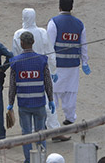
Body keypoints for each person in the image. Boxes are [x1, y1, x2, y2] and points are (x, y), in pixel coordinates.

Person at [13, 8, 70, 142]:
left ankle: (32, 133)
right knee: (48, 103)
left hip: (25, 74)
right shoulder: (42, 32)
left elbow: (15, 55)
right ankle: (54, 131)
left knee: (27, 102)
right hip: (42, 72)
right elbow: (50, 53)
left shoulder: (18, 34)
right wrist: (53, 70)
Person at [8, 31, 56, 163]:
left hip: (24, 104)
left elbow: (12, 85)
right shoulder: (41, 60)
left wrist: (10, 103)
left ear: (22, 43)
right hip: (39, 103)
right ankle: (41, 158)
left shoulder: (15, 62)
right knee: (41, 133)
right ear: (33, 42)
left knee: (26, 134)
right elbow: (48, 82)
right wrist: (51, 99)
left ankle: (29, 160)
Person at [47, 0, 90, 126]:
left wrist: (48, 63)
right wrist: (85, 63)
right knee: (70, 93)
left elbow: (49, 45)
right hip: (73, 66)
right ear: (72, 7)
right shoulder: (79, 24)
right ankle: (70, 117)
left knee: (53, 93)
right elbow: (84, 46)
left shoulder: (54, 22)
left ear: (59, 7)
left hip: (57, 66)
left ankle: (51, 120)